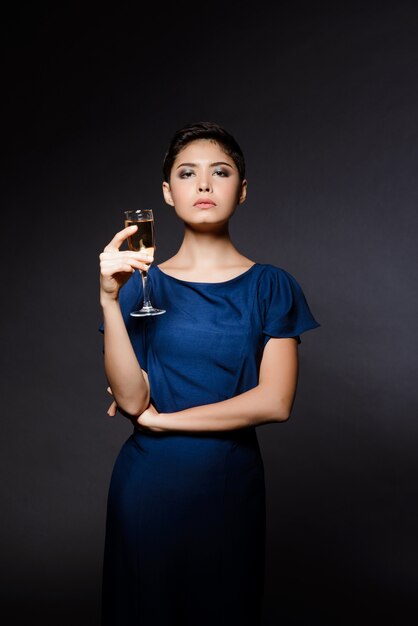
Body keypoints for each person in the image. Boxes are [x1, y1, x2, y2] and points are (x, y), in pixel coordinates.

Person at [98, 121, 320, 626]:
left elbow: (274, 402)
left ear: (241, 191)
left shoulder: (272, 286)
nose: (203, 185)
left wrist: (167, 421)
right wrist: (110, 300)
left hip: (228, 488)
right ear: (167, 193)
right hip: (146, 490)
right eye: (187, 173)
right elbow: (134, 402)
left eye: (220, 172)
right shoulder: (137, 286)